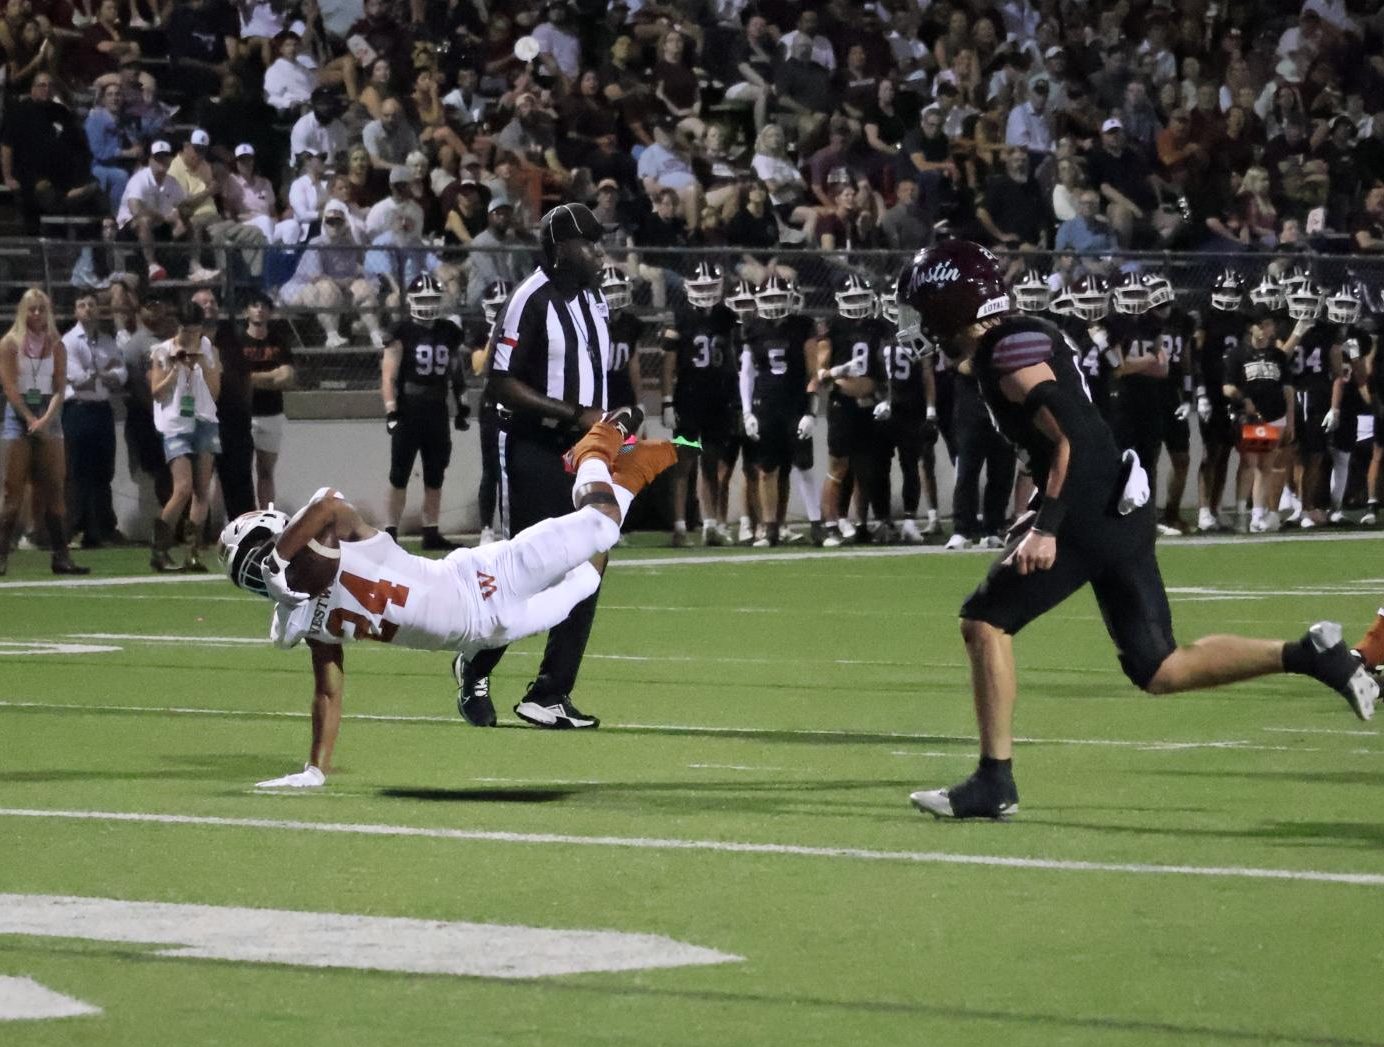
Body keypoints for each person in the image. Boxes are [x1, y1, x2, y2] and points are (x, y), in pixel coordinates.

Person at [895, 241, 1376, 820]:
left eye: (922, 308)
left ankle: (994, 781)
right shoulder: (1018, 337)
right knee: (1158, 667)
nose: (917, 323)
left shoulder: (1009, 349)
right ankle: (1310, 654)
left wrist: (1048, 525)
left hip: (1091, 505)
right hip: (1115, 501)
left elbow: (1079, 438)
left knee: (985, 621)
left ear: (950, 305)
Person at [220, 415, 677, 787]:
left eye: (257, 557)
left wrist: (276, 560)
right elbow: (327, 689)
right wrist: (316, 769)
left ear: (277, 533)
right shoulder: (299, 616)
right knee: (586, 579)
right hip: (489, 628)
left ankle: (597, 444)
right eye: (250, 574)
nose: (258, 574)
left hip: (481, 578)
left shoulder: (334, 536)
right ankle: (632, 470)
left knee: (600, 527)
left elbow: (328, 505)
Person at [473, 202, 616, 730]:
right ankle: (476, 665)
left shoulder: (595, 299)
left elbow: (593, 372)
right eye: (590, 243)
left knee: (590, 566)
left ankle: (549, 693)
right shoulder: (529, 298)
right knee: (528, 576)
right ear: (559, 249)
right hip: (534, 449)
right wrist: (574, 414)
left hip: (586, 454)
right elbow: (500, 380)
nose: (600, 252)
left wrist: (610, 419)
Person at [0, 289, 89, 575]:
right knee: (13, 491)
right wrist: (28, 418)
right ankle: (2, 554)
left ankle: (61, 556)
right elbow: (10, 388)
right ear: (23, 312)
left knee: (54, 488)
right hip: (19, 414)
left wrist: (46, 419)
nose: (36, 314)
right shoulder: (9, 344)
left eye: (41, 309)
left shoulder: (56, 344)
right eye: (31, 309)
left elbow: (60, 387)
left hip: (48, 414)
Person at [380, 273, 463, 551]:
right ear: (412, 300)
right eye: (423, 298)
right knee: (399, 473)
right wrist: (391, 409)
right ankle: (390, 531)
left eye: (432, 298)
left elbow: (456, 370)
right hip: (409, 409)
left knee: (435, 474)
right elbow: (388, 375)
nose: (428, 304)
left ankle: (431, 531)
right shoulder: (402, 331)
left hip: (437, 409)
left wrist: (461, 403)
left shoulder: (449, 331)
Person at [738, 274, 820, 548]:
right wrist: (747, 412)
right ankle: (769, 528)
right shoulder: (752, 327)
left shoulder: (802, 326)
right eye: (768, 298)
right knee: (766, 469)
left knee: (803, 465)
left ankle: (818, 525)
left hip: (795, 403)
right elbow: (746, 375)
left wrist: (811, 411)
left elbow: (813, 372)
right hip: (765, 405)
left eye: (778, 297)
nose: (773, 303)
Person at [661, 261, 738, 547]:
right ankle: (680, 527)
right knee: (684, 464)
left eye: (709, 286)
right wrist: (667, 401)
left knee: (712, 464)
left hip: (717, 399)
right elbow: (668, 364)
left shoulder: (726, 317)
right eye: (700, 286)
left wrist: (734, 397)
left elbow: (733, 357)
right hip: (689, 399)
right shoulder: (680, 317)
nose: (705, 292)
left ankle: (711, 524)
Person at [147, 300, 222, 573]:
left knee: (202, 490)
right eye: (186, 331)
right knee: (182, 488)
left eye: (195, 330)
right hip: (176, 424)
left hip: (204, 421)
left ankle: (193, 551)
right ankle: (160, 547)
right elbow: (157, 392)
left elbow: (215, 391)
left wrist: (200, 367)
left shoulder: (208, 350)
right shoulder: (162, 351)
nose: (191, 337)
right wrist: (176, 368)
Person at [816, 273, 885, 547]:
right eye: (852, 297)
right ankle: (830, 524)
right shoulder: (833, 328)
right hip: (841, 404)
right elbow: (820, 374)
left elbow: (881, 366)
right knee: (837, 467)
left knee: (864, 467)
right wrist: (838, 372)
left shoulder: (876, 327)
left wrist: (882, 394)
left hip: (868, 405)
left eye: (860, 297)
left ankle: (860, 522)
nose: (857, 303)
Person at [63, 292, 127, 549]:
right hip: (78, 409)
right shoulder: (69, 342)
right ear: (75, 311)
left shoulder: (107, 340)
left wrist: (101, 374)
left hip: (101, 408)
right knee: (79, 471)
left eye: (91, 305)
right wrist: (104, 371)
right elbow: (78, 379)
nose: (88, 309)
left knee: (103, 470)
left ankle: (103, 527)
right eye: (82, 305)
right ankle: (78, 528)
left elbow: (121, 374)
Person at [1193, 271, 1247, 532]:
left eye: (1232, 292)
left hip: (1234, 394)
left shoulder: (1243, 321)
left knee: (1226, 453)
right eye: (1224, 291)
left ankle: (1215, 507)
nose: (1228, 296)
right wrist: (1201, 392)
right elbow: (1197, 358)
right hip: (1213, 393)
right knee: (1210, 453)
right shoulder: (1205, 319)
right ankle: (1203, 509)